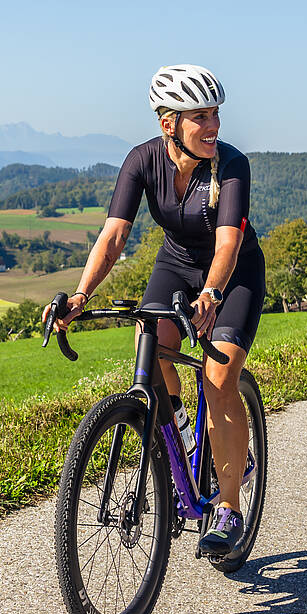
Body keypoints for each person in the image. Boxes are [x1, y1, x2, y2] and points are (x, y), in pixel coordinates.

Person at [44, 64, 266, 558]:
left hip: (233, 273)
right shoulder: (142, 161)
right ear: (168, 123)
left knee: (219, 377)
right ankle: (185, 434)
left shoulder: (231, 166)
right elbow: (115, 234)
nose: (213, 127)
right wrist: (81, 295)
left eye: (216, 115)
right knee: (150, 345)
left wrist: (211, 293)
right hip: (175, 264)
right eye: (199, 116)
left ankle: (228, 507)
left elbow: (228, 241)